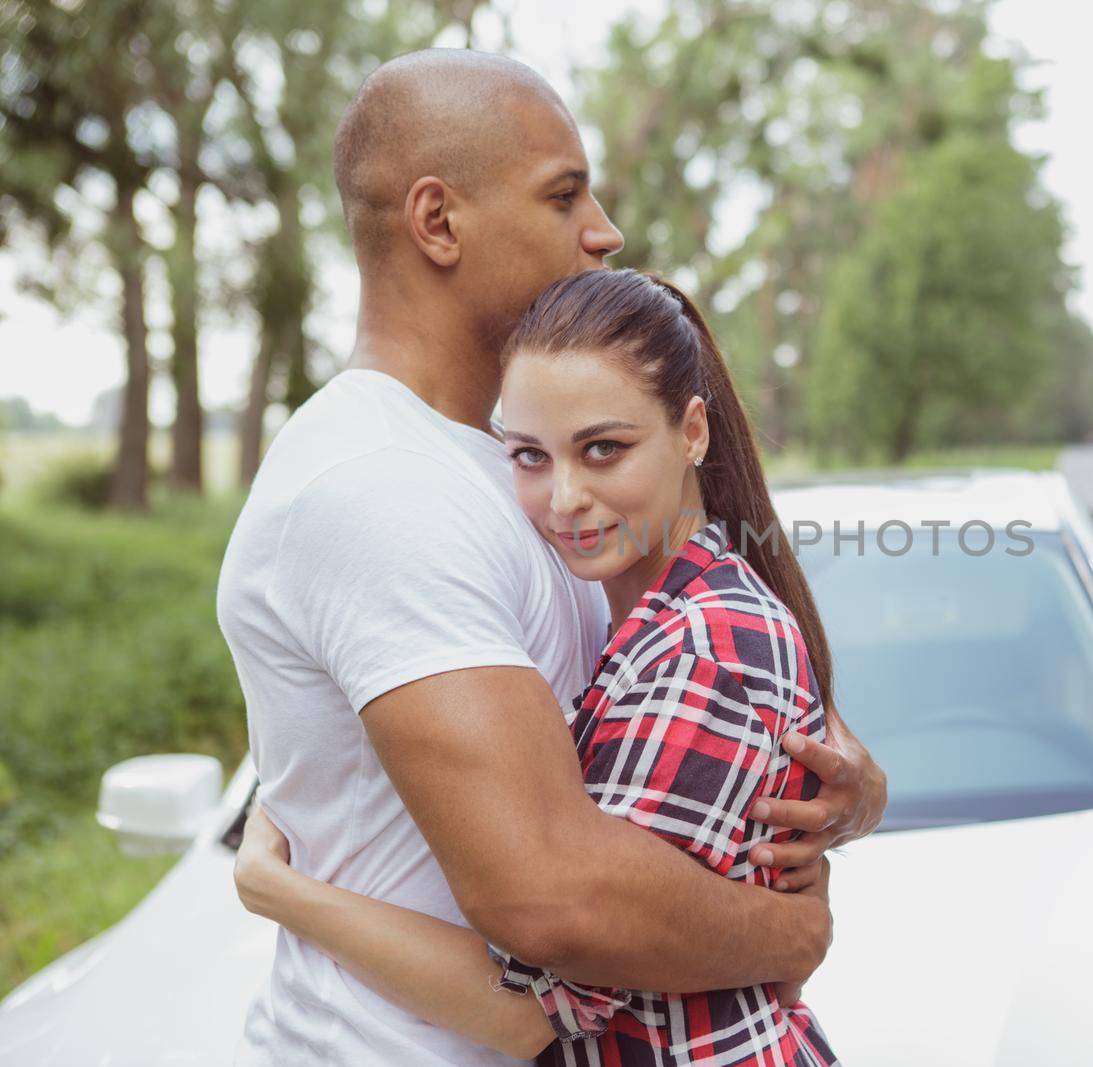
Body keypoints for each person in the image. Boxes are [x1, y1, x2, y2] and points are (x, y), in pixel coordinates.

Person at [216, 50, 884, 1067]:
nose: (604, 230)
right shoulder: (375, 486)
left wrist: (854, 786)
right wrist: (796, 933)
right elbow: (552, 895)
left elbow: (720, 665)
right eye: (564, 192)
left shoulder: (519, 471)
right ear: (438, 222)